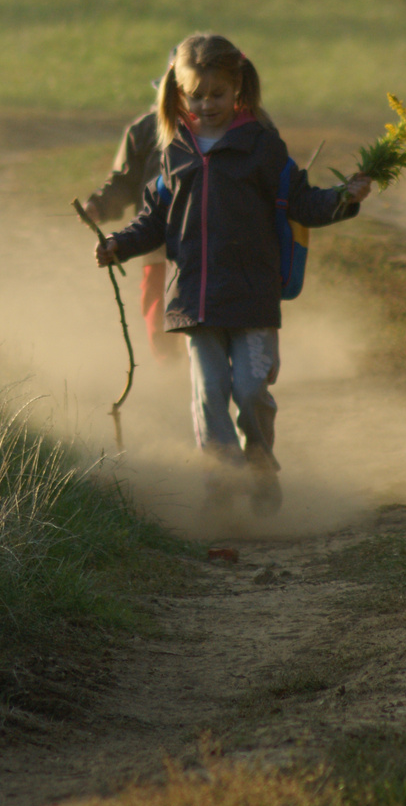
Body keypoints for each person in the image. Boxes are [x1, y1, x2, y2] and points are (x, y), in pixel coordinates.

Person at [93, 33, 371, 514]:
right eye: (195, 95)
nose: (205, 105)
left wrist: (344, 197)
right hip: (194, 302)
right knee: (209, 396)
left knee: (249, 389)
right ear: (178, 93)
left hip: (252, 298)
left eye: (216, 94)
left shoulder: (262, 146)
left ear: (237, 88)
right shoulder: (171, 153)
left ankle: (261, 463)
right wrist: (119, 244)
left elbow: (303, 202)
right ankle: (219, 485)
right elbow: (154, 219)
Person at [82, 101, 181, 363]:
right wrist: (99, 206)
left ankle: (204, 374)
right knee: (159, 308)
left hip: (208, 240)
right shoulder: (146, 128)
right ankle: (169, 371)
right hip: (156, 238)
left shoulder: (221, 127)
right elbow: (125, 181)